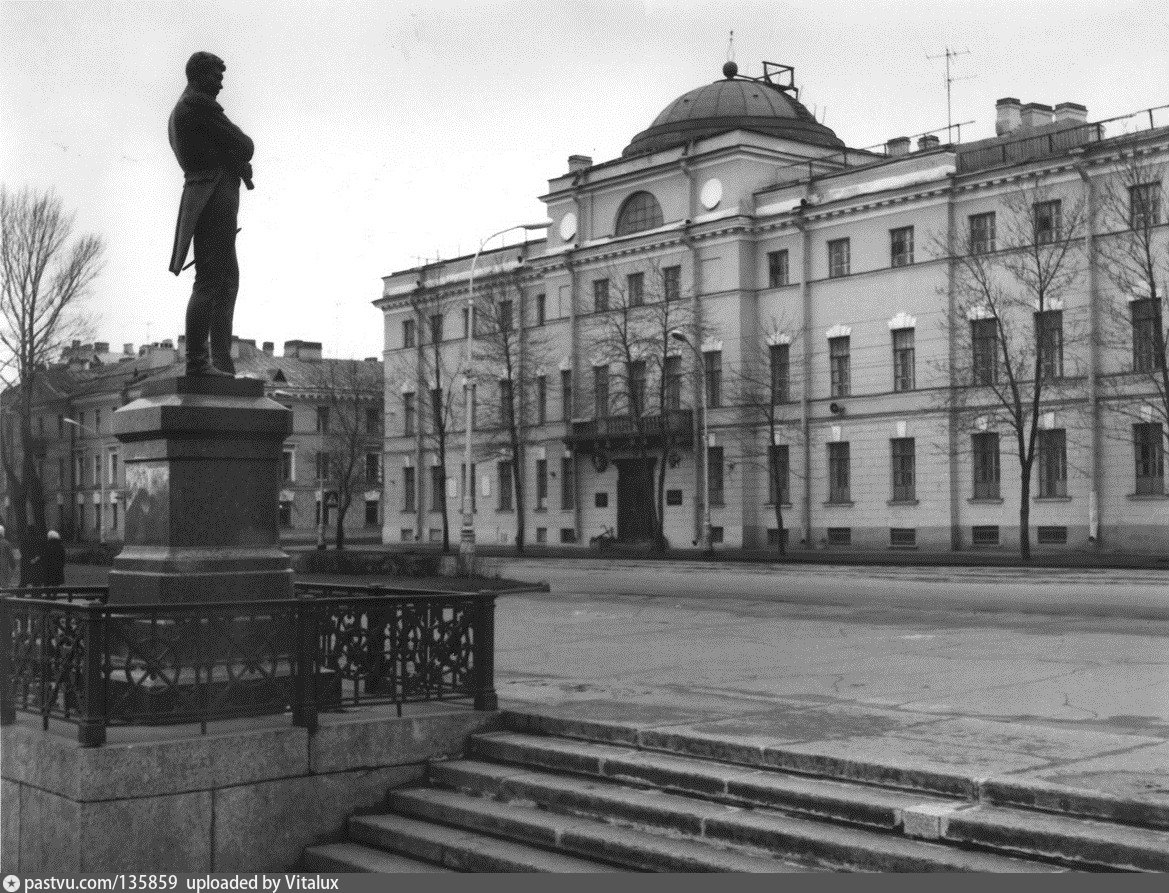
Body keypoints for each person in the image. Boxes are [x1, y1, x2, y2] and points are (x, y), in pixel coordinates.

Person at [168, 51, 255, 377]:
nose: (220, 82)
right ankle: (199, 362)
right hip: (213, 195)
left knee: (226, 280)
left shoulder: (185, 107)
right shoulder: (198, 104)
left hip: (206, 194)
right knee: (210, 280)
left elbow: (216, 148)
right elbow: (245, 145)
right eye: (216, 75)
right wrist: (238, 151)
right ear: (198, 75)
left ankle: (219, 361)